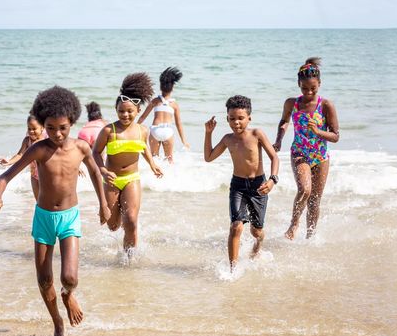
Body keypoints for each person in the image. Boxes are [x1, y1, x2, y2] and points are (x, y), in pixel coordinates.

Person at [0, 86, 111, 336]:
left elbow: (95, 173)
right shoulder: (39, 149)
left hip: (69, 217)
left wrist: (103, 204)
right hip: (43, 218)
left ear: (72, 123)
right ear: (44, 124)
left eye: (63, 127)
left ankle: (68, 295)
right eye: (51, 127)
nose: (57, 133)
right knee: (44, 281)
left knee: (70, 277)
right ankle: (57, 322)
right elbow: (5, 176)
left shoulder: (81, 148)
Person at [204, 95, 279, 272]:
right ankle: (233, 269)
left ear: (249, 118)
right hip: (237, 186)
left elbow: (274, 157)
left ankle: (258, 244)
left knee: (256, 231)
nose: (236, 122)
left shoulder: (257, 134)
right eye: (232, 119)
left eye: (240, 118)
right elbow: (208, 157)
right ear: (227, 119)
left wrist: (272, 180)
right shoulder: (227, 139)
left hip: (259, 186)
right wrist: (208, 134)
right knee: (236, 226)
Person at [92, 73, 163, 257]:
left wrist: (153, 164)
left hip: (132, 179)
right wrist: (103, 170)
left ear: (138, 110)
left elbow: (144, 148)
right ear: (116, 110)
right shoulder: (109, 130)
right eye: (121, 111)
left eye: (130, 111)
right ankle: (123, 222)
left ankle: (129, 257)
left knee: (131, 219)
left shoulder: (143, 130)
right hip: (112, 180)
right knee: (113, 225)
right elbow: (95, 153)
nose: (125, 114)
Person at [272, 57, 340, 240]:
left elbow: (335, 136)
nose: (309, 92)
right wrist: (278, 140)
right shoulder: (291, 103)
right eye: (304, 88)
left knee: (315, 201)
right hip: (299, 153)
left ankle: (310, 237)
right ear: (298, 84)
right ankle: (294, 224)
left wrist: (317, 131)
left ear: (319, 84)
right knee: (305, 189)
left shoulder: (326, 105)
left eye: (313, 89)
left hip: (321, 156)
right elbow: (284, 121)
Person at [137, 67, 190, 163]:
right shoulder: (174, 105)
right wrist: (184, 141)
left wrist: (134, 128)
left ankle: (154, 176)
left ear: (160, 86)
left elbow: (143, 117)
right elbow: (179, 124)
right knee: (170, 159)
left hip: (155, 131)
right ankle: (170, 177)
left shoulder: (155, 101)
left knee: (153, 158)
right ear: (172, 87)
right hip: (168, 131)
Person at [0, 115, 45, 200]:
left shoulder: (45, 142)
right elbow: (20, 155)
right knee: (38, 201)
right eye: (29, 128)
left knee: (46, 200)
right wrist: (9, 162)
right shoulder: (27, 141)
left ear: (42, 128)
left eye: (34, 129)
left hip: (45, 175)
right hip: (34, 175)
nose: (31, 131)